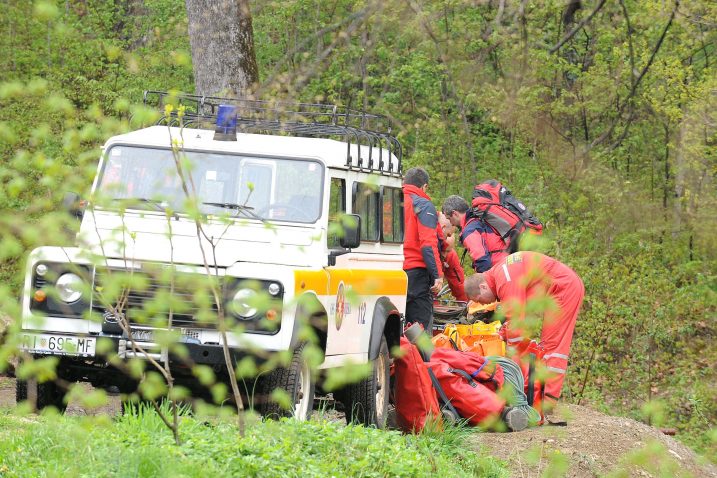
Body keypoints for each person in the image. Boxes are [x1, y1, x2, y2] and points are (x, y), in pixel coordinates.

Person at [463, 251, 585, 407]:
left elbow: (517, 324)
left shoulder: (504, 278)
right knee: (544, 346)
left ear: (483, 286)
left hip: (564, 288)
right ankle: (537, 397)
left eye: (479, 300)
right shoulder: (500, 274)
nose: (482, 304)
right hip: (559, 287)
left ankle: (547, 402)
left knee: (553, 348)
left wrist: (512, 373)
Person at [402, 167, 443, 332]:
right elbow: (428, 244)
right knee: (419, 332)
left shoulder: (388, 201)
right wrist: (437, 276)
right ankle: (420, 358)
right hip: (416, 274)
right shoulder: (423, 205)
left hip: (391, 271)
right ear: (424, 186)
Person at [442, 195, 508, 273]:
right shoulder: (479, 219)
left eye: (449, 219)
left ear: (455, 214)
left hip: (500, 270)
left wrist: (483, 282)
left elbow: (482, 260)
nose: (451, 223)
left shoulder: (470, 230)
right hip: (508, 264)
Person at [437, 212, 467, 301]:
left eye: (448, 251)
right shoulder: (426, 250)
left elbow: (458, 285)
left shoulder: (451, 256)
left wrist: (466, 307)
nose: (444, 255)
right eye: (443, 250)